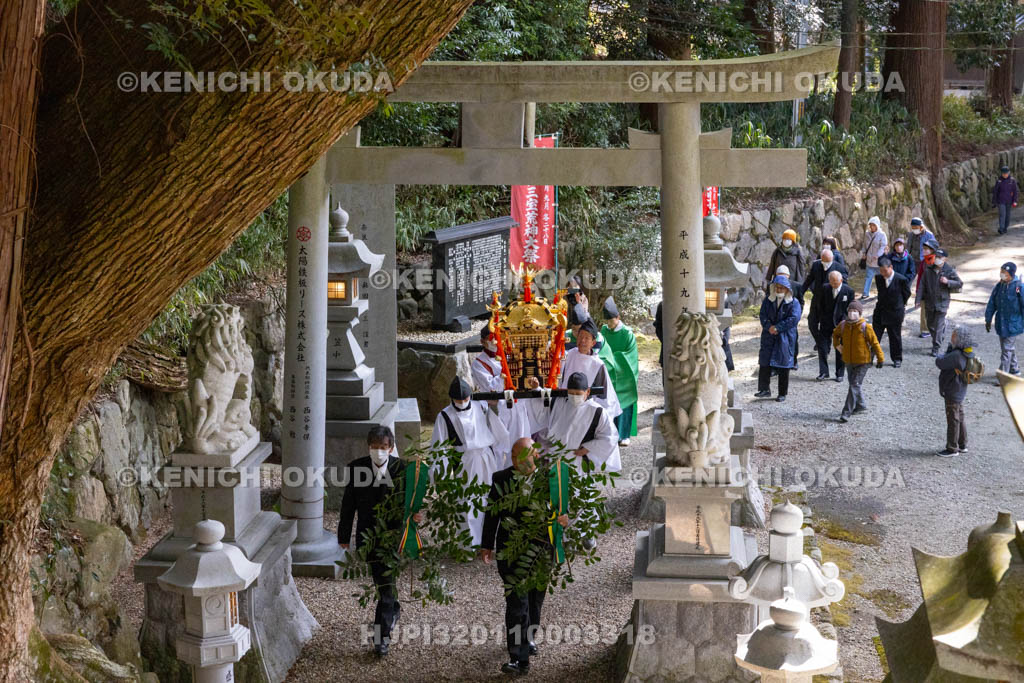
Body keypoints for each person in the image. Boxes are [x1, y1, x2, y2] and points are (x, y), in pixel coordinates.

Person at [480, 438, 569, 675]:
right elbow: (492, 514)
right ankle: (519, 659)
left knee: (534, 600)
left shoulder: (552, 479)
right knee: (516, 604)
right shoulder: (501, 479)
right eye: (513, 456)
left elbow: (562, 511)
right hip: (510, 551)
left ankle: (529, 638)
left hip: (541, 552)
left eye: (521, 457)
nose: (515, 462)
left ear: (536, 456)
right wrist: (486, 545)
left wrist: (564, 519)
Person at [338, 426, 423, 656]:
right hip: (368, 535)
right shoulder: (357, 468)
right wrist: (344, 537)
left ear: (391, 448)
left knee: (385, 584)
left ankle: (381, 638)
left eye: (383, 448)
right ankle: (393, 607)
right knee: (382, 582)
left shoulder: (403, 469)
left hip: (394, 536)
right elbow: (348, 505)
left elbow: (412, 503)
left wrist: (415, 516)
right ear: (368, 447)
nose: (378, 452)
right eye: (374, 448)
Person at [430, 377, 510, 546]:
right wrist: (441, 474)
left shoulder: (480, 406)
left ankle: (489, 542)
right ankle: (468, 544)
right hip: (464, 461)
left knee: (490, 496)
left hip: (486, 458)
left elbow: (495, 426)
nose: (462, 402)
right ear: (452, 399)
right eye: (458, 400)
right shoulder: (444, 416)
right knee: (467, 502)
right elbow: (439, 446)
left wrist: (494, 407)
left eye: (465, 399)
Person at [524, 372, 622, 476]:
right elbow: (543, 406)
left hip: (579, 459)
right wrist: (536, 389)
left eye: (578, 394)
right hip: (558, 457)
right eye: (571, 394)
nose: (574, 397)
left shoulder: (597, 411)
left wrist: (589, 448)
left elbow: (609, 436)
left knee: (579, 489)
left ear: (587, 391)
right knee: (557, 488)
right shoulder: (561, 403)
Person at [472, 326, 533, 465]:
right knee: (499, 446)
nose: (495, 342)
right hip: (497, 410)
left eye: (497, 337)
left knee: (521, 442)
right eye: (491, 339)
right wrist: (504, 374)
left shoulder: (509, 354)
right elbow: (490, 387)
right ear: (482, 342)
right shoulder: (479, 363)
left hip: (517, 405)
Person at [832, 301, 884, 423]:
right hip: (848, 361)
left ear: (859, 313)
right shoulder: (843, 325)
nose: (852, 313)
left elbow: (875, 343)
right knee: (854, 385)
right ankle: (861, 405)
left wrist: (880, 358)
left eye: (855, 311)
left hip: (863, 362)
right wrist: (837, 346)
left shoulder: (865, 327)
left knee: (854, 385)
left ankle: (846, 412)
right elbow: (835, 335)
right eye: (850, 311)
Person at [560, 317, 621, 420]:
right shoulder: (569, 355)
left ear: (593, 343)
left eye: (587, 338)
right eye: (580, 336)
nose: (582, 340)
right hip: (566, 404)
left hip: (587, 410)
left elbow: (603, 395)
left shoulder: (597, 364)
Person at [598, 297, 639, 447]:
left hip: (625, 374)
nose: (609, 324)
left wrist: (612, 359)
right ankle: (612, 433)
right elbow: (601, 348)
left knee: (625, 402)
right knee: (609, 401)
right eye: (607, 321)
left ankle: (625, 435)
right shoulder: (603, 331)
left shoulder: (628, 334)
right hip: (609, 372)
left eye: (611, 321)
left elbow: (631, 355)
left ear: (618, 317)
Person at [756, 275, 801, 401]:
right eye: (777, 287)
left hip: (785, 336)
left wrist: (778, 327)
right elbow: (763, 315)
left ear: (787, 289)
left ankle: (782, 393)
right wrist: (769, 326)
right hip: (769, 335)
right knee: (764, 362)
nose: (779, 290)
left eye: (782, 288)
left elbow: (794, 319)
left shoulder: (794, 302)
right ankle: (764, 389)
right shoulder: (768, 300)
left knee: (784, 365)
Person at [935, 325, 975, 457]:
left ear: (959, 339)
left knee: (953, 419)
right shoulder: (967, 353)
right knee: (960, 417)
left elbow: (939, 362)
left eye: (954, 336)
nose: (951, 338)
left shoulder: (956, 355)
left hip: (952, 390)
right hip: (960, 390)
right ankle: (962, 444)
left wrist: (947, 352)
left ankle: (952, 448)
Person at [803, 247, 849, 360]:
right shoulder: (816, 265)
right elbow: (809, 279)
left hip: (830, 303)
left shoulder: (840, 268)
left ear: (832, 259)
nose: (825, 264)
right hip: (817, 300)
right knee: (812, 323)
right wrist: (800, 292)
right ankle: (821, 344)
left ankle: (825, 346)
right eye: (823, 261)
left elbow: (845, 286)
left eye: (828, 262)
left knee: (827, 327)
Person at [919, 247, 963, 356]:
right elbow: (921, 285)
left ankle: (936, 347)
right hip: (930, 302)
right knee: (930, 325)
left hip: (942, 302)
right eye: (936, 257)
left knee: (938, 326)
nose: (937, 259)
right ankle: (939, 335)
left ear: (945, 259)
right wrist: (918, 299)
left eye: (940, 257)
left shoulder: (949, 270)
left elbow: (959, 283)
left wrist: (948, 281)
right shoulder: (928, 270)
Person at [813, 270, 854, 381]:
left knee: (840, 348)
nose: (834, 284)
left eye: (836, 282)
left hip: (841, 324)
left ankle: (839, 373)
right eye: (832, 282)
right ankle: (823, 372)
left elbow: (851, 308)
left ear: (841, 280)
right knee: (822, 347)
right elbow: (819, 305)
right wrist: (820, 319)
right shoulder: (825, 288)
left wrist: (847, 321)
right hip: (826, 323)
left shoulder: (848, 291)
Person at [985, 262, 1024, 375]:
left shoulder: (1019, 287)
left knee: (1006, 350)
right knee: (1007, 348)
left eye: (1004, 272)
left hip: (1013, 324)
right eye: (1001, 271)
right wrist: (988, 319)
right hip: (1001, 323)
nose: (1001, 274)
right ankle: (1014, 369)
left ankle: (1003, 375)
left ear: (1010, 274)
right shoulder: (1000, 286)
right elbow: (992, 303)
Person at [872, 257, 912, 368]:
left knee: (895, 336)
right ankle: (869, 357)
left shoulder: (901, 279)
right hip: (880, 311)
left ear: (891, 267)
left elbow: (906, 294)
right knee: (874, 335)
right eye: (881, 271)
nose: (883, 273)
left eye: (885, 271)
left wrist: (899, 304)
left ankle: (897, 358)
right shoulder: (879, 278)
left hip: (895, 312)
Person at [907, 218, 936, 338]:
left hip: (924, 261)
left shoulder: (929, 235)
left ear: (921, 227)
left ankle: (920, 300)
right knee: (907, 281)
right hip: (913, 260)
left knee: (922, 283)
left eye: (916, 227)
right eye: (912, 228)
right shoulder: (911, 235)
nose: (914, 230)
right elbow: (908, 247)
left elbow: (934, 247)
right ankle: (905, 299)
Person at [859, 216, 887, 300]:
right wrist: (864, 253)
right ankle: (865, 293)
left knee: (880, 278)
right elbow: (864, 245)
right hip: (869, 260)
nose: (872, 227)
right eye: (870, 225)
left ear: (877, 225)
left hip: (878, 261)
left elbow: (883, 246)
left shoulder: (882, 234)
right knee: (868, 277)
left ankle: (881, 293)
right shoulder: (867, 234)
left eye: (873, 225)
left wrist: (878, 255)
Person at [993, 165, 1019, 235]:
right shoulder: (999, 181)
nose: (1005, 175)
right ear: (1001, 173)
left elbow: (1015, 191)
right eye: (1003, 173)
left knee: (1007, 215)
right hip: (1001, 201)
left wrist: (1015, 201)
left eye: (1006, 173)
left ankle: (1005, 228)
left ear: (1009, 172)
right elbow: (995, 192)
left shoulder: (1012, 180)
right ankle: (1001, 229)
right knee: (1002, 214)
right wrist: (994, 202)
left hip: (1009, 201)